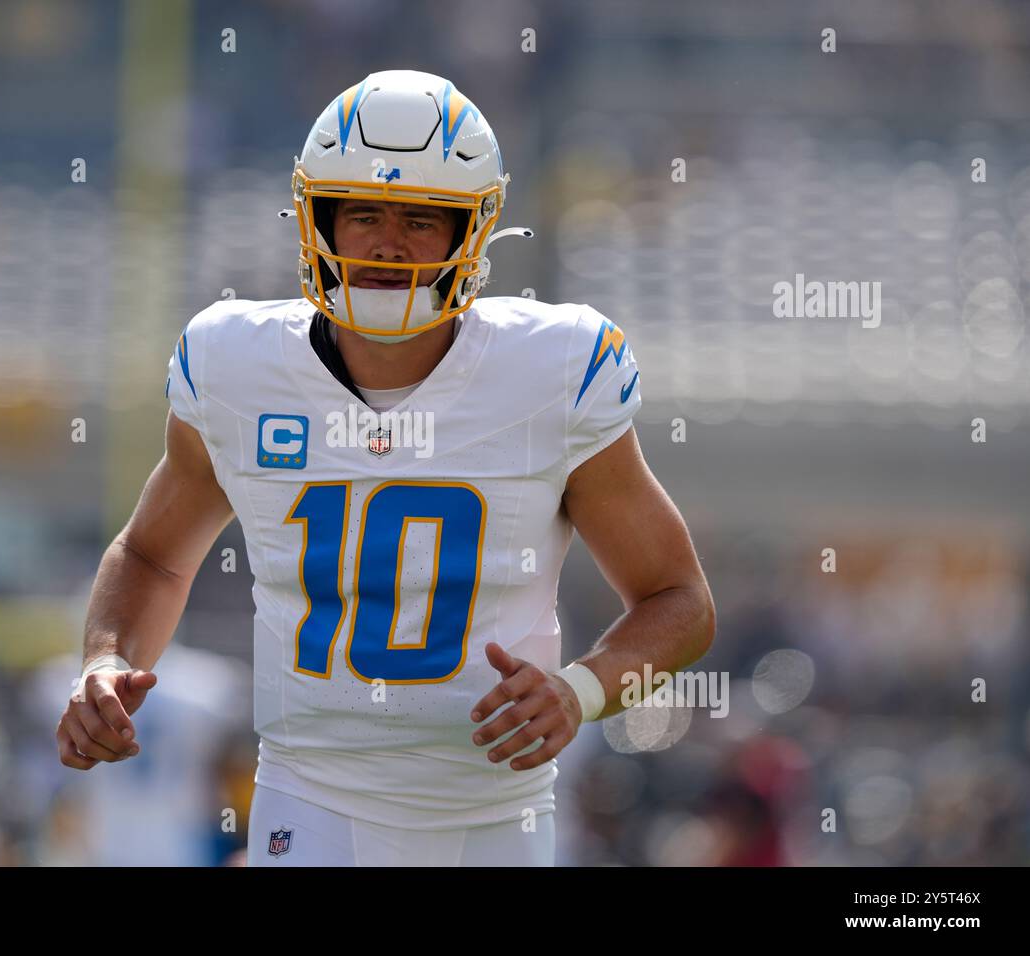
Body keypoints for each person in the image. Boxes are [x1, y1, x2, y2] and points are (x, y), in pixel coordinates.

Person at [57, 69, 715, 866]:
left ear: (471, 233)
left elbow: (679, 601)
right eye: (362, 212)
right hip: (309, 800)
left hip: (492, 817)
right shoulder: (234, 365)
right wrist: (108, 659)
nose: (385, 242)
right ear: (318, 219)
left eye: (421, 219)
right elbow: (153, 554)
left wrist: (582, 689)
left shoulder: (554, 370)